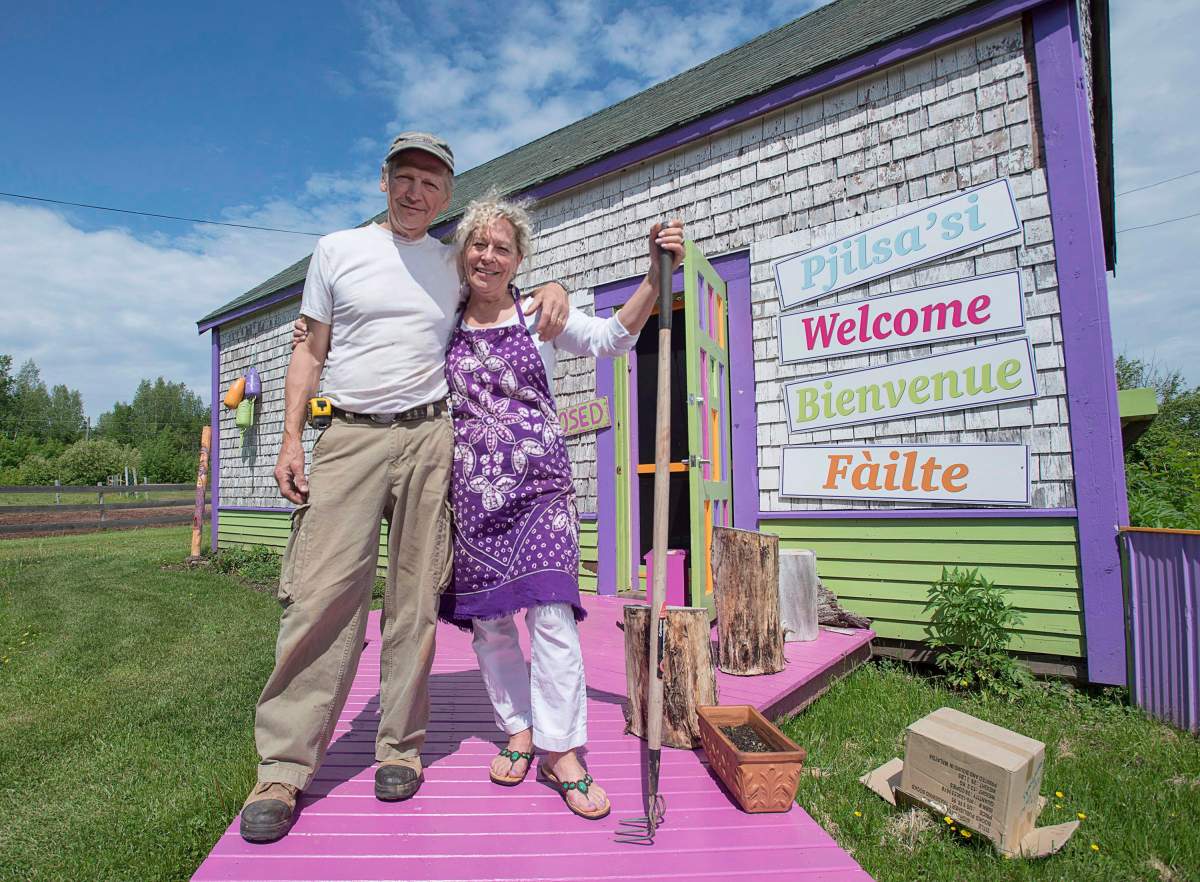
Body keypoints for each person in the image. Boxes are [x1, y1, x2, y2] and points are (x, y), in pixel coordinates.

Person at [239, 133, 569, 844]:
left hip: (430, 437)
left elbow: (500, 284)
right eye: (405, 178)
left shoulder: (453, 260)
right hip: (350, 436)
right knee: (322, 596)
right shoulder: (337, 251)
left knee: (415, 599)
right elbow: (309, 346)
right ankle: (284, 767)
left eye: (431, 183)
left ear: (446, 196)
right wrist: (291, 437)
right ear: (383, 181)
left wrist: (552, 288)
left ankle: (400, 748)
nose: (416, 192)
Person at [438, 194, 684, 820]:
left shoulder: (539, 314)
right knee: (492, 626)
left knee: (551, 618)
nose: (488, 256)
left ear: (518, 258)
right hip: (473, 495)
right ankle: (518, 730)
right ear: (463, 252)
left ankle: (562, 749)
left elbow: (611, 339)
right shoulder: (441, 319)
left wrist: (655, 278)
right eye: (478, 244)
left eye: (502, 247)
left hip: (542, 491)